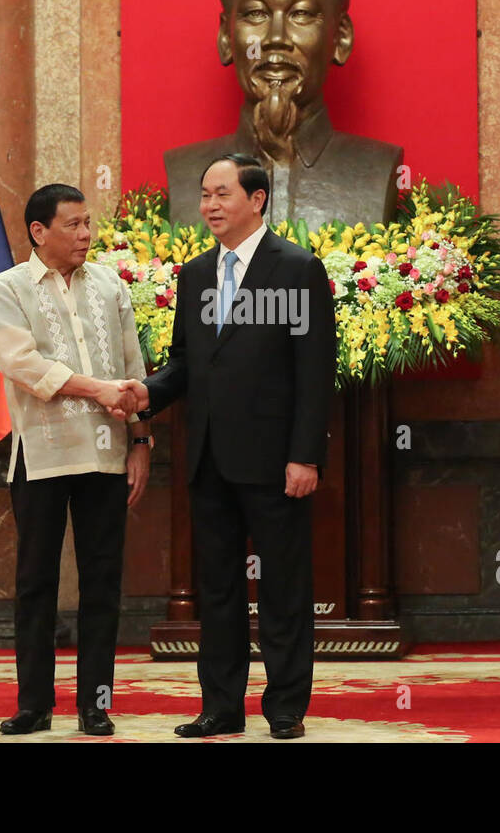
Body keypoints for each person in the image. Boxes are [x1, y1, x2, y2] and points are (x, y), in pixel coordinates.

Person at [122, 153, 335, 739]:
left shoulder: (296, 268)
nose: (211, 206)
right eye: (205, 195)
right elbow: (189, 362)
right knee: (216, 590)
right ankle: (221, 705)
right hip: (208, 457)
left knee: (283, 588)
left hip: (275, 460)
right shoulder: (193, 275)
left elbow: (314, 372)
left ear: (257, 199)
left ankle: (286, 706)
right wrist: (146, 392)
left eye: (223, 195)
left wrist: (305, 454)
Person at [0, 183, 150, 737]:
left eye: (87, 224)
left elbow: (134, 367)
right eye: (74, 225)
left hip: (107, 456)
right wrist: (97, 390)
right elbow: (24, 365)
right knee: (36, 582)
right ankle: (34, 705)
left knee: (103, 583)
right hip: (42, 454)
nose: (86, 235)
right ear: (40, 232)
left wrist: (141, 442)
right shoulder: (6, 288)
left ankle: (94, 705)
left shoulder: (109, 284)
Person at [164, 0, 402, 229]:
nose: (276, 38)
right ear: (226, 38)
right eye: (256, 13)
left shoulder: (376, 169)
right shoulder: (183, 170)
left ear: (340, 37)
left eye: (301, 14)